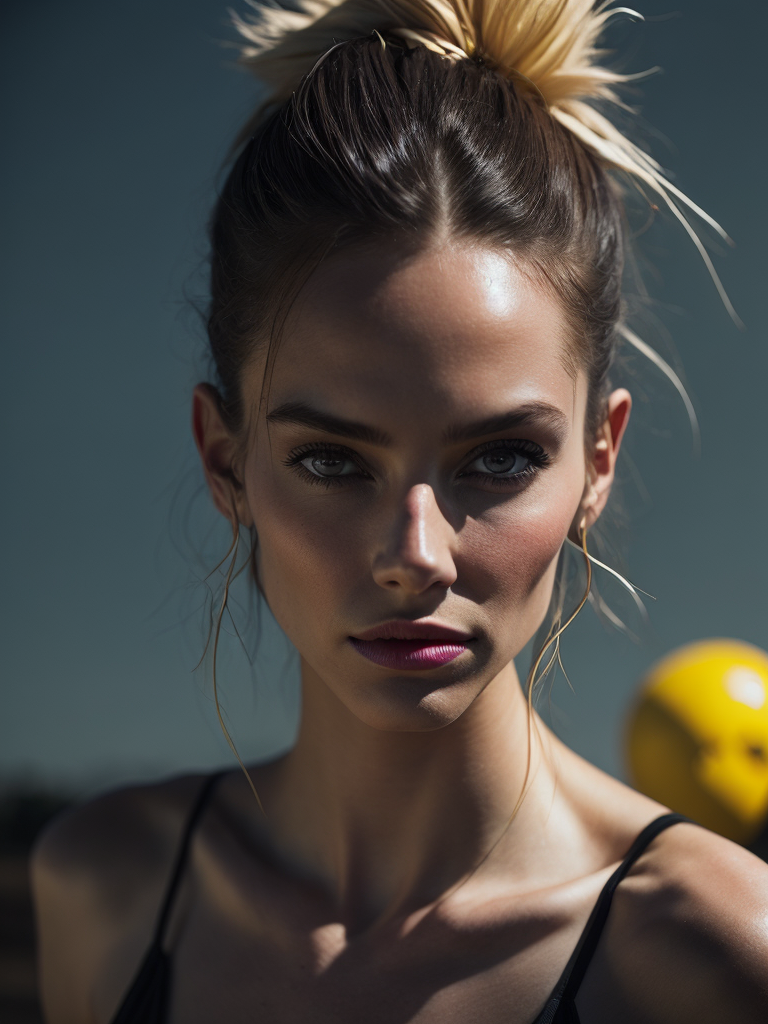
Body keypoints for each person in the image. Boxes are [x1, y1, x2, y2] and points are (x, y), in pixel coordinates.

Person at [31, 1, 768, 1021]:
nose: (416, 556)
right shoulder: (101, 889)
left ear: (599, 460)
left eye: (501, 458)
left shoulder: (722, 958)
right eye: (333, 461)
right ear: (224, 456)